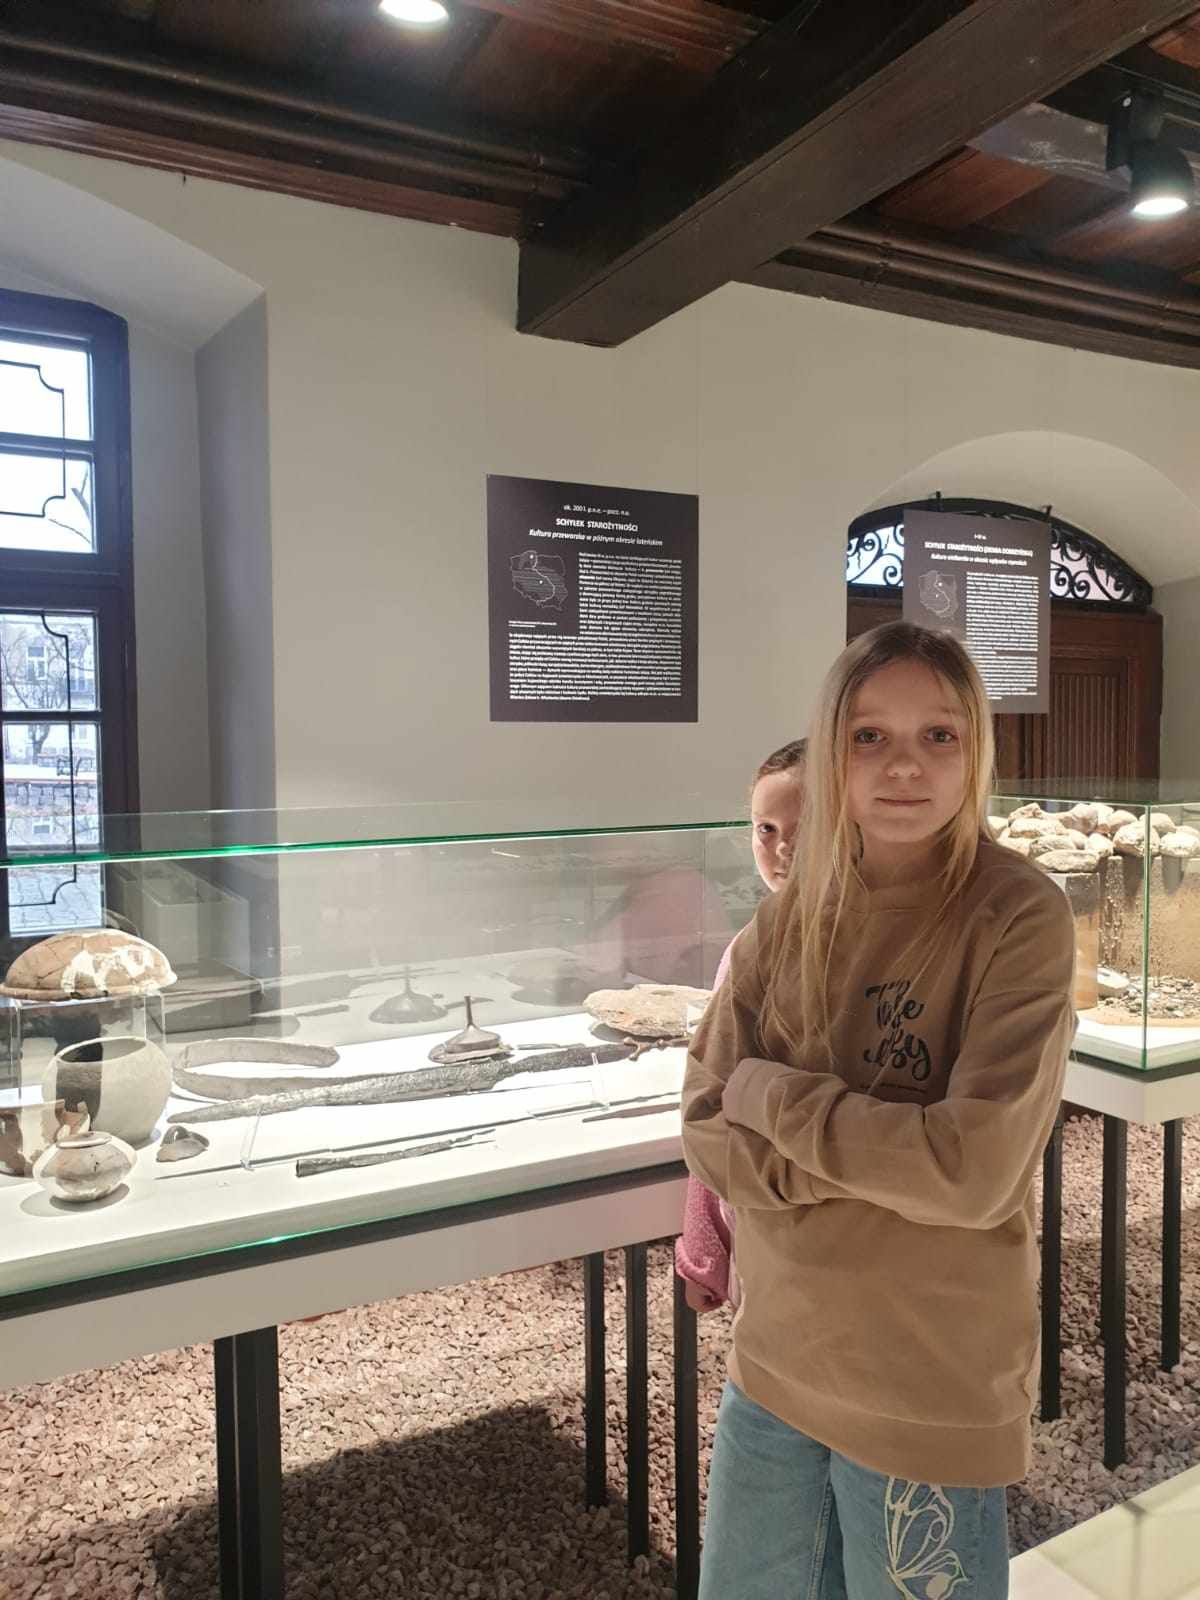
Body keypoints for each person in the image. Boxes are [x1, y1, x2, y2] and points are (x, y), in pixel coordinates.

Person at [682, 621, 1075, 1600]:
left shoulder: (1018, 914)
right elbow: (705, 1123)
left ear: (976, 748)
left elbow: (971, 1170)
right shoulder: (786, 918)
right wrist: (875, 1155)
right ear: (833, 747)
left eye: (938, 735)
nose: (904, 766)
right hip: (773, 1363)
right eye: (870, 736)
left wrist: (774, 1095)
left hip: (923, 1383)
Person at [675, 737, 807, 1313]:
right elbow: (713, 1099)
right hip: (760, 1212)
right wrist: (705, 1249)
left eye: (806, 829)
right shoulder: (749, 947)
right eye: (766, 830)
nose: (782, 850)